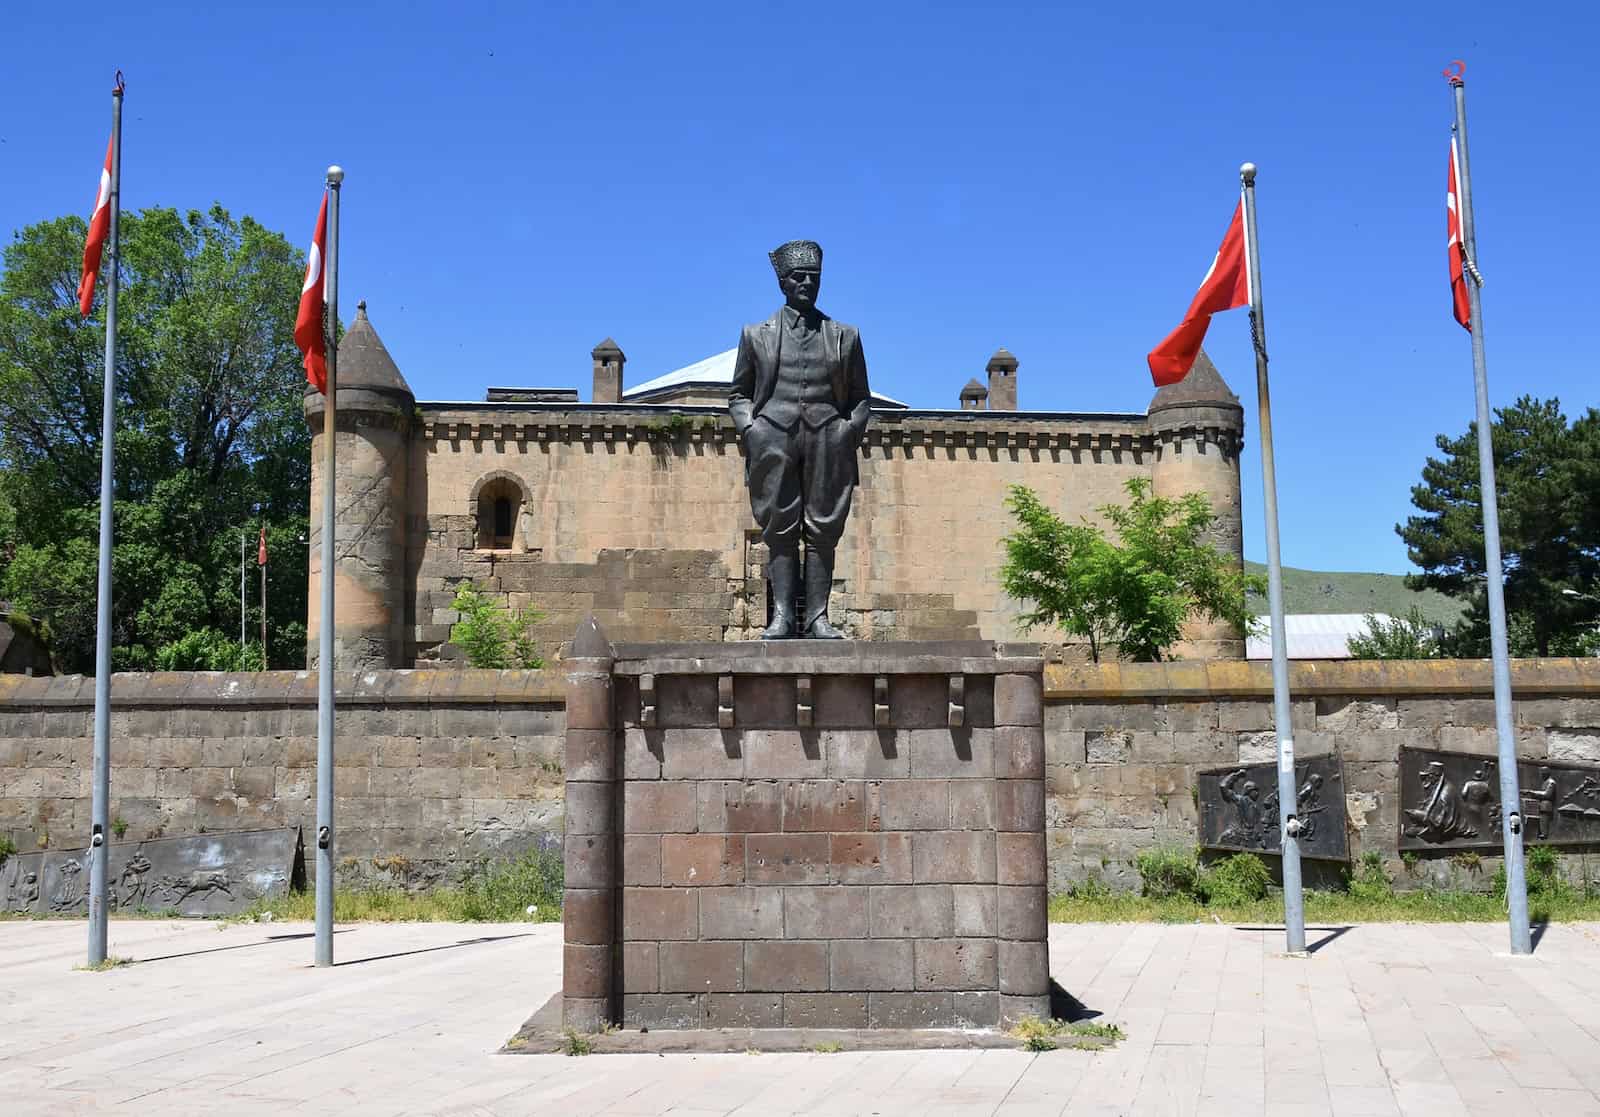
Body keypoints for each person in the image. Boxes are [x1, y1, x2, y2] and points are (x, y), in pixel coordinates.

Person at [730, 240, 872, 639]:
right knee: (780, 528)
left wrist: (847, 431)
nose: (807, 283)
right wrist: (751, 429)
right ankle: (782, 618)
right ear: (782, 282)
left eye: (814, 277)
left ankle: (817, 618)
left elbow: (862, 398)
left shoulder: (846, 336)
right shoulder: (756, 335)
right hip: (773, 437)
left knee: (824, 528)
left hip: (828, 437)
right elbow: (739, 394)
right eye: (798, 277)